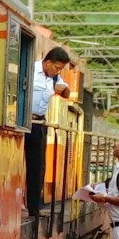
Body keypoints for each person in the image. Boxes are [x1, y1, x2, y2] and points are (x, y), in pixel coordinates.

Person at [25, 45, 71, 226]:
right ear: (48, 62)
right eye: (57, 67)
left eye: (61, 69)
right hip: (21, 119)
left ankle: (34, 208)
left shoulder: (55, 78)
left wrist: (62, 89)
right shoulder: (30, 68)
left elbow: (66, 93)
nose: (58, 71)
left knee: (38, 166)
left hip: (38, 123)